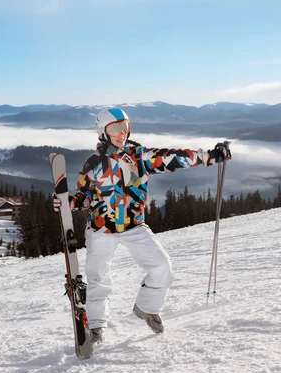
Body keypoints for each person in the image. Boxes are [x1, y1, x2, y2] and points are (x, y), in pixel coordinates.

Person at [53, 107, 230, 343]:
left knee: (162, 266)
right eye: (115, 129)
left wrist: (208, 156)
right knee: (98, 278)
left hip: (134, 226)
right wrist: (69, 203)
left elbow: (171, 158)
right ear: (102, 132)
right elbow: (84, 196)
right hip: (101, 228)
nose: (121, 133)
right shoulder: (92, 165)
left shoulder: (139, 157)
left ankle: (147, 307)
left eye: (125, 127)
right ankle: (96, 326)